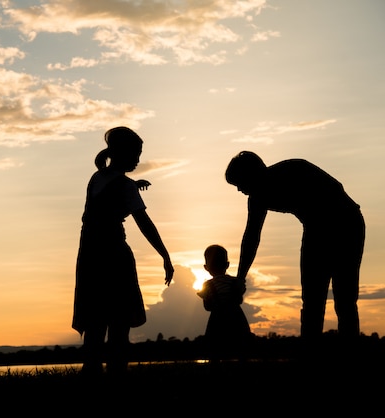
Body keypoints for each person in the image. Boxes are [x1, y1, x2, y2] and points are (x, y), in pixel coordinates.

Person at [225, 151, 365, 338]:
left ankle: (350, 356)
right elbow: (251, 236)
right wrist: (240, 277)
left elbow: (336, 189)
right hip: (315, 229)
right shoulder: (257, 199)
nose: (239, 190)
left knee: (344, 299)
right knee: (312, 301)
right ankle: (308, 358)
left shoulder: (294, 168)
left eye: (239, 183)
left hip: (347, 223)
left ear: (251, 174)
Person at [72, 126, 174, 376]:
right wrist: (165, 256)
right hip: (114, 256)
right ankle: (117, 374)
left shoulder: (96, 178)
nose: (139, 160)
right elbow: (145, 224)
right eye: (136, 153)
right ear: (124, 153)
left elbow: (108, 198)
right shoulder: (125, 186)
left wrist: (132, 186)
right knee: (119, 320)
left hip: (89, 256)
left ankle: (91, 372)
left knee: (95, 319)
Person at [197, 244, 252, 361]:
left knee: (215, 350)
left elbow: (207, 307)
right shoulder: (235, 282)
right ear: (227, 265)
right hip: (237, 318)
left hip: (217, 321)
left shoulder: (206, 286)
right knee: (241, 348)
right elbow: (239, 300)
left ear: (206, 267)